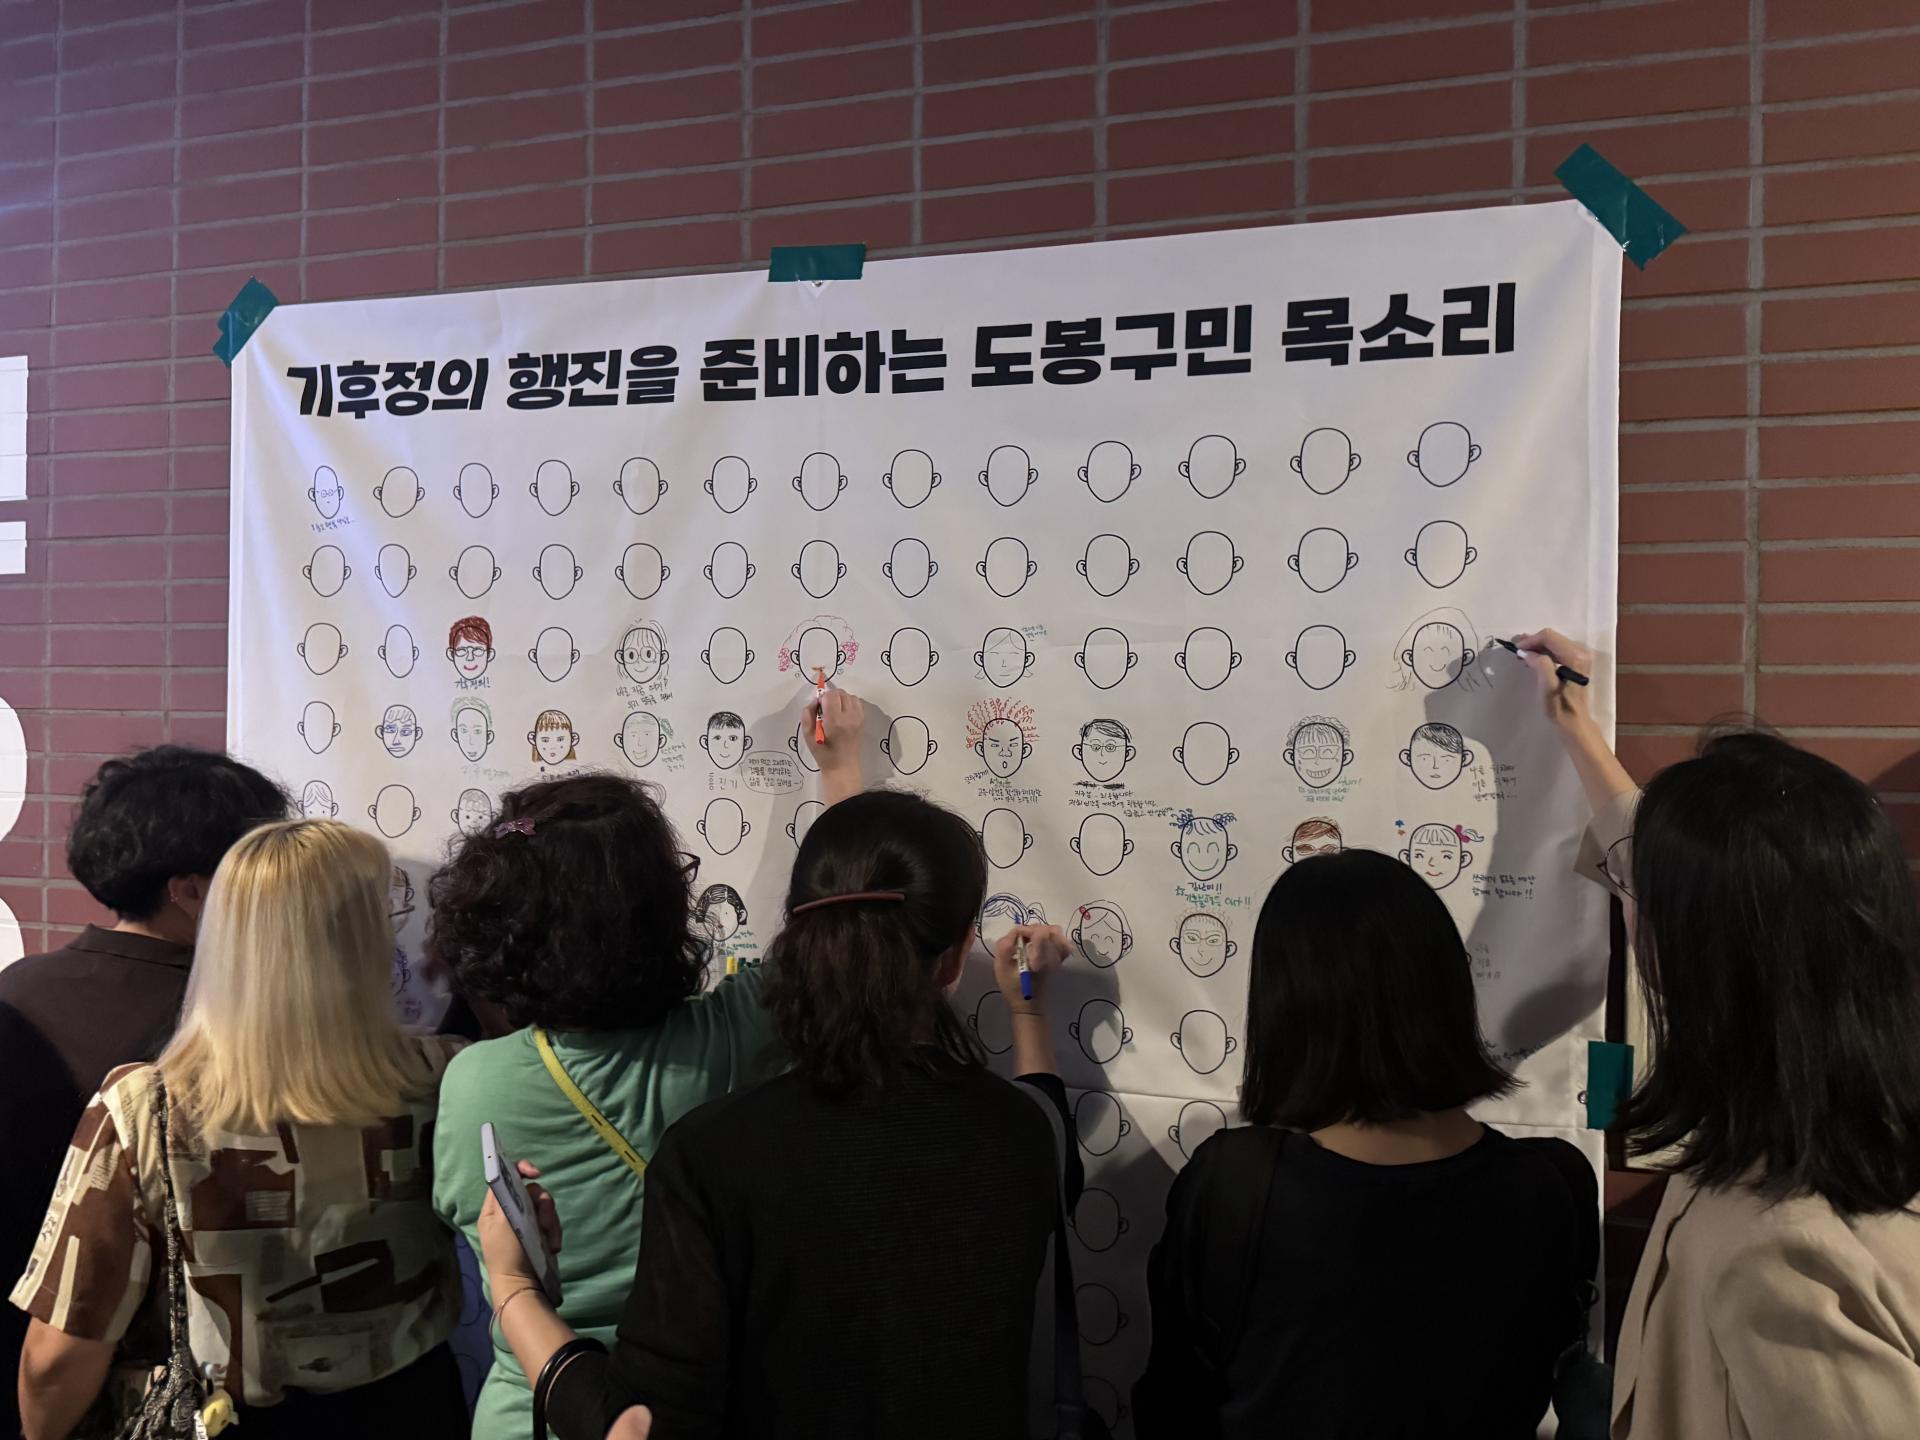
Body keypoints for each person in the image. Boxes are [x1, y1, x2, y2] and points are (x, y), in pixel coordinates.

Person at [481, 787, 1083, 1440]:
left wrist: (514, 1287)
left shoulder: (714, 1156)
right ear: (955, 957)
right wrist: (1026, 1006)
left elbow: (638, 1427)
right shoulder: (1022, 1134)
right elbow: (1050, 1140)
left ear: (800, 939)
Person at [1509, 629, 1920, 1439]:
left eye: (1646, 900)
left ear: (1697, 954)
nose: (1629, 904)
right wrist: (1573, 721)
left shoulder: (1788, 1256)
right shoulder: (1840, 1106)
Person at [432, 691, 864, 1440]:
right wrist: (841, 771)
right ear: (659, 914)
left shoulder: (473, 1080)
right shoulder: (728, 1038)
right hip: (685, 1409)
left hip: (531, 1408)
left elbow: (457, 1212)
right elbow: (844, 936)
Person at [11, 820, 466, 1440]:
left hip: (223, 1419)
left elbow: (60, 1354)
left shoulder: (147, 1108)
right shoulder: (445, 1077)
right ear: (363, 940)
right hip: (412, 1409)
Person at [1134, 848, 1597, 1439]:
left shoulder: (1236, 1185)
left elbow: (1171, 1403)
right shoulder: (1553, 1185)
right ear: (1447, 986)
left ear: (1286, 1005)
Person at [0, 746, 288, 1435]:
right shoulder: (235, 1023)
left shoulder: (17, 992)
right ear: (191, 891)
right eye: (257, 867)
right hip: (169, 1386)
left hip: (30, 1356)